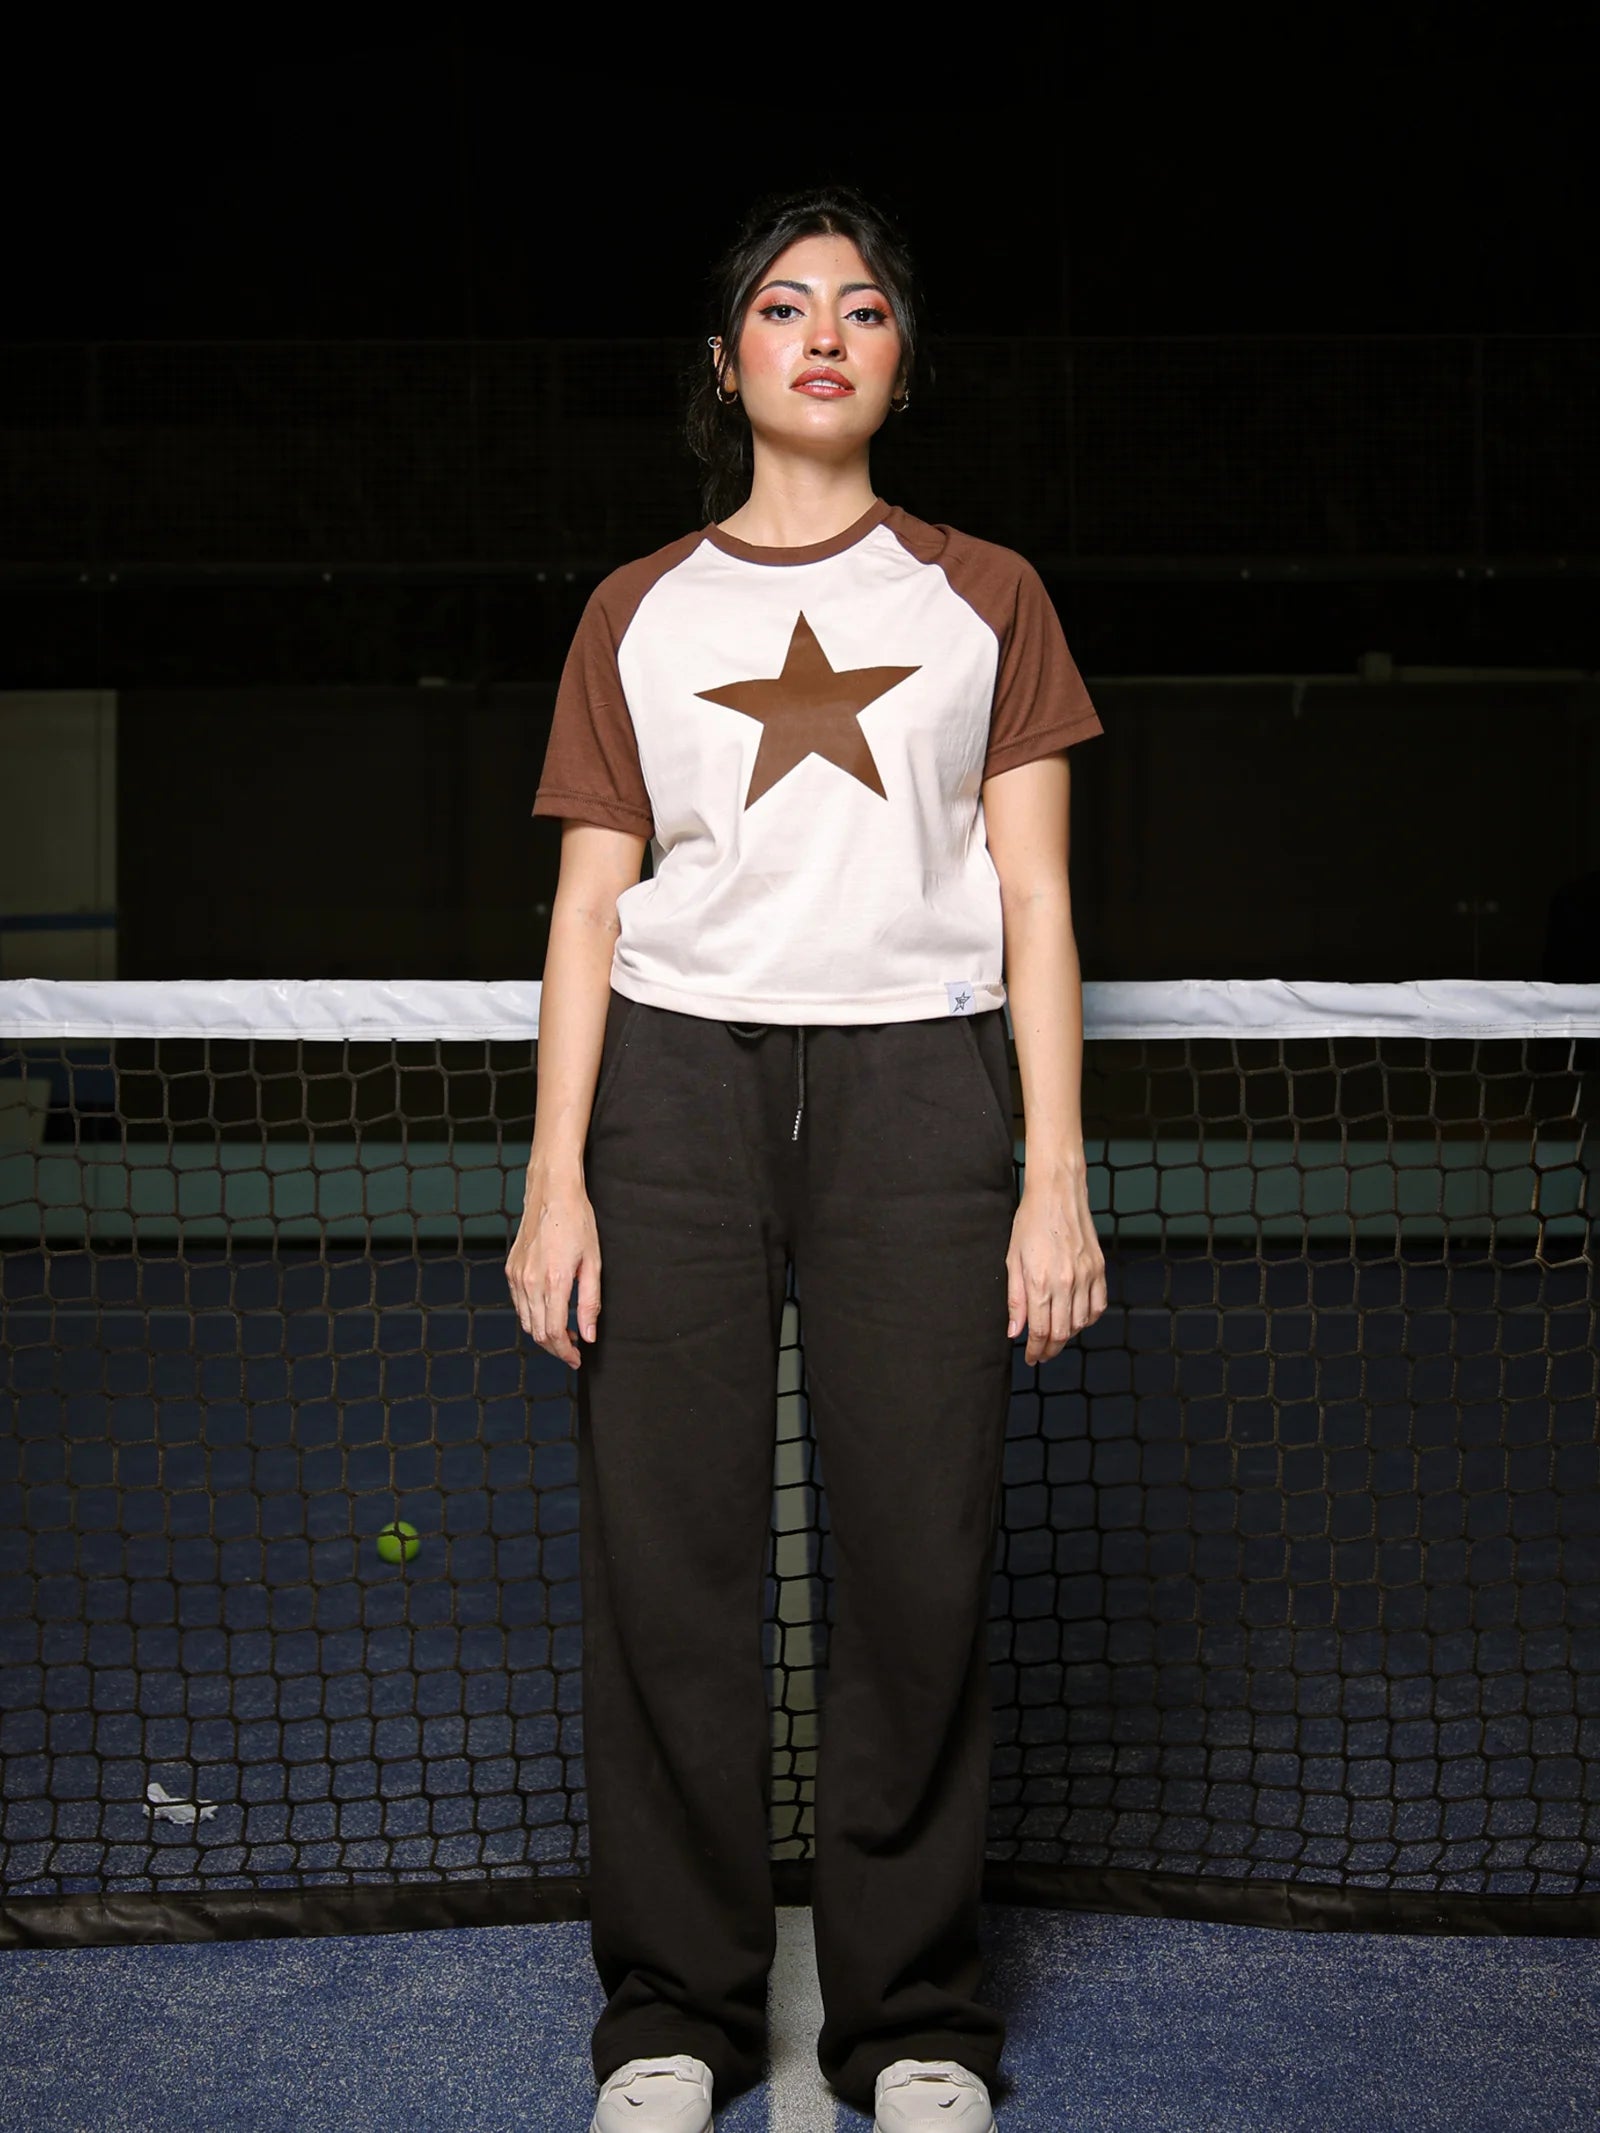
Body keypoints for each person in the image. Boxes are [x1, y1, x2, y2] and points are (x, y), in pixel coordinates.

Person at [509, 183, 1108, 2133]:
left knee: (918, 1563)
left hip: (919, 1103)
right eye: (782, 307)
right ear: (726, 363)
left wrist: (1049, 1175)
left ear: (901, 362)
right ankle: (672, 2019)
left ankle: (908, 2019)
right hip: (669, 1100)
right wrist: (554, 1179)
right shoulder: (636, 608)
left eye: (860, 307)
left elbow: (1033, 901)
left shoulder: (985, 593)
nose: (822, 332)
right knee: (668, 1566)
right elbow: (587, 908)